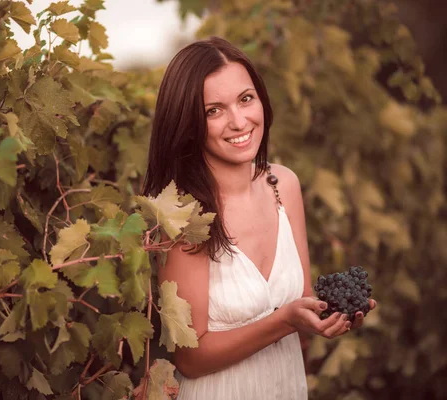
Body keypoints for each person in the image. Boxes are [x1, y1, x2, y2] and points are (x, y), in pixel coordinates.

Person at [142, 37, 377, 399]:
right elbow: (190, 357)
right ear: (188, 123)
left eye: (246, 99)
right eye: (213, 110)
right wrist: (284, 321)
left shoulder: (283, 184)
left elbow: (302, 303)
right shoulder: (185, 215)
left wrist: (331, 315)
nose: (239, 121)